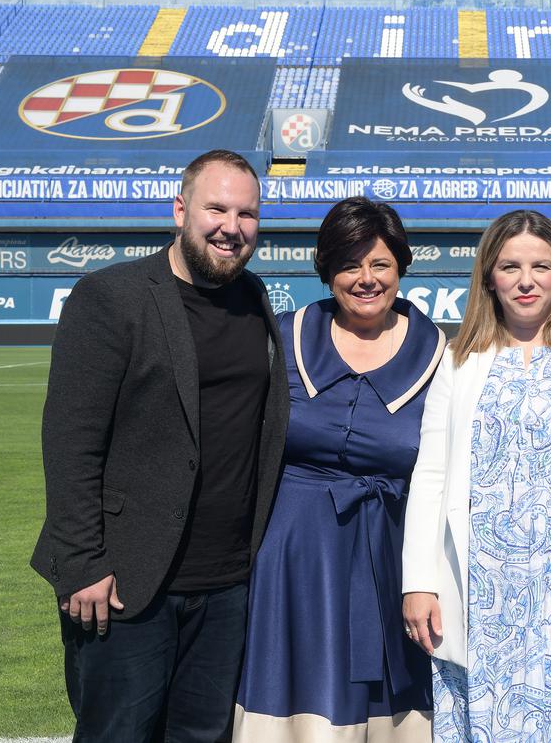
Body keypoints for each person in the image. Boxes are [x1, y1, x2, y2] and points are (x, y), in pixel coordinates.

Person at [31, 149, 290, 742]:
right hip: (124, 585)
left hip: (226, 586)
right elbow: (70, 441)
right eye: (216, 208)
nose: (232, 226)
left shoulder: (254, 299)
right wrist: (82, 566)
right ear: (180, 209)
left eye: (247, 214)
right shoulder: (110, 297)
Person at [401, 209, 551, 742]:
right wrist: (419, 581)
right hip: (481, 593)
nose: (526, 280)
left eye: (541, 266)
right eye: (510, 266)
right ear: (489, 274)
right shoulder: (459, 356)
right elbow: (431, 473)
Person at [234, 197, 445, 741]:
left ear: (401, 266)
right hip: (291, 559)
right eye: (350, 264)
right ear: (326, 269)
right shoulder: (283, 335)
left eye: (380, 264)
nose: (366, 278)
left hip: (394, 561)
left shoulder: (444, 354)